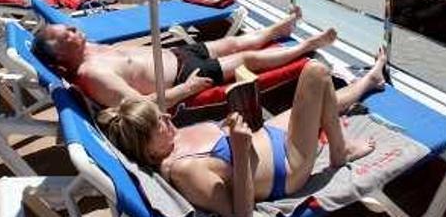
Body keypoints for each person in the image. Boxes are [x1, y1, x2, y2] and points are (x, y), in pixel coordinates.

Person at [97, 50, 387, 214]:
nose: (164, 115)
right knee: (315, 72)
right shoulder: (185, 171)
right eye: (157, 122)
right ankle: (339, 152)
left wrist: (230, 126)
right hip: (288, 167)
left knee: (319, 100)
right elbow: (241, 215)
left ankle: (369, 81)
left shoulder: (169, 141)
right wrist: (237, 147)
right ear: (149, 150)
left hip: (267, 139)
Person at [32, 8, 337, 108]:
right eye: (65, 34)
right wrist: (188, 89)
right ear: (60, 56)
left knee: (232, 41)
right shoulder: (91, 73)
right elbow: (141, 107)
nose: (73, 27)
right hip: (185, 76)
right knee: (247, 59)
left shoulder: (92, 47)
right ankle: (305, 47)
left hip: (179, 53)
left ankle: (276, 28)